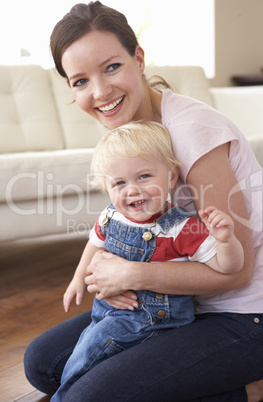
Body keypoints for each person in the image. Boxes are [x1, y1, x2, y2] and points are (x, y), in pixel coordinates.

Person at [24, 2, 263, 401]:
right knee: (42, 363)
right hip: (170, 305)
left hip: (245, 315)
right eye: (80, 81)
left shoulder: (191, 131)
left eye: (112, 67)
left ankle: (249, 389)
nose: (100, 92)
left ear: (138, 58)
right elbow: (125, 232)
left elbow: (238, 273)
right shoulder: (130, 133)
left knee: (85, 396)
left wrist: (129, 275)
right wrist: (108, 280)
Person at [51, 121, 244, 402]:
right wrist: (77, 280)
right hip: (106, 311)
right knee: (86, 348)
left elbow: (229, 268)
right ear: (107, 187)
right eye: (119, 183)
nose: (132, 190)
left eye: (144, 176)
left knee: (91, 349)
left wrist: (226, 241)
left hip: (155, 321)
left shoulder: (181, 227)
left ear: (171, 177)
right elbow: (95, 244)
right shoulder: (110, 216)